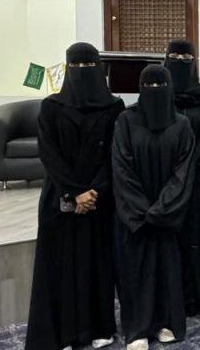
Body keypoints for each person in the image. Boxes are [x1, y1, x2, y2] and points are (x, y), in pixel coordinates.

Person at [24, 43, 125, 350]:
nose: (82, 71)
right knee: (60, 267)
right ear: (68, 68)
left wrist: (95, 191)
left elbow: (114, 154)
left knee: (98, 265)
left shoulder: (114, 107)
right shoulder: (51, 107)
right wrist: (75, 192)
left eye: (88, 65)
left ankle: (99, 327)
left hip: (99, 200)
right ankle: (63, 334)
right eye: (76, 66)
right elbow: (49, 154)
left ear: (99, 68)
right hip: (60, 198)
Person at [113, 66, 196, 350]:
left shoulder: (182, 124)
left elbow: (183, 172)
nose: (156, 90)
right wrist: (141, 210)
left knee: (167, 269)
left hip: (166, 217)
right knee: (135, 270)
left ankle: (166, 322)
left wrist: (162, 209)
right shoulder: (126, 121)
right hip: (134, 218)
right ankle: (137, 329)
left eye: (161, 84)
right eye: (149, 85)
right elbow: (121, 169)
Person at [164, 39, 200, 318]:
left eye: (187, 57)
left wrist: (188, 165)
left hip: (196, 173)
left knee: (195, 233)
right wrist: (172, 168)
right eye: (175, 56)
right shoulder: (159, 93)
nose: (181, 61)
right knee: (168, 235)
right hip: (165, 176)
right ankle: (168, 297)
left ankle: (193, 299)